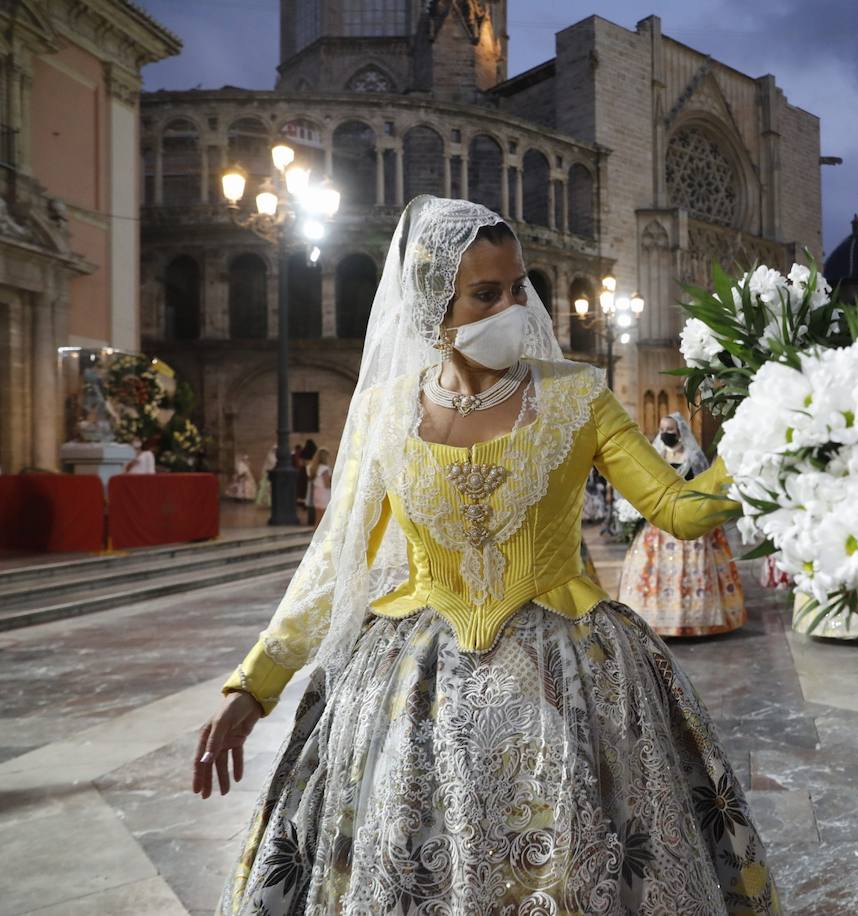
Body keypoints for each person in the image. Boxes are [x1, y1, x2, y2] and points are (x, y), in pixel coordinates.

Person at [194, 198, 776, 915]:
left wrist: (773, 439)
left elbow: (679, 509)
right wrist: (253, 687)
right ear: (434, 306)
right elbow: (330, 563)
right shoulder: (380, 413)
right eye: (486, 293)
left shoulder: (578, 396)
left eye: (516, 286)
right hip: (414, 694)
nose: (514, 306)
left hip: (572, 683)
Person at [618, 413, 746, 638]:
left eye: (669, 429)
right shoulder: (657, 454)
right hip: (659, 522)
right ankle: (655, 619)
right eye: (662, 429)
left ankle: (697, 619)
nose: (665, 434)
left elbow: (702, 485)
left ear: (679, 431)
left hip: (689, 515)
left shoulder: (692, 457)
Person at [306, 447, 331, 527]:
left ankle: (315, 532)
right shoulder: (325, 469)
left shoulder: (314, 468)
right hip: (324, 493)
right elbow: (326, 484)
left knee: (318, 517)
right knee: (325, 516)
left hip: (317, 492)